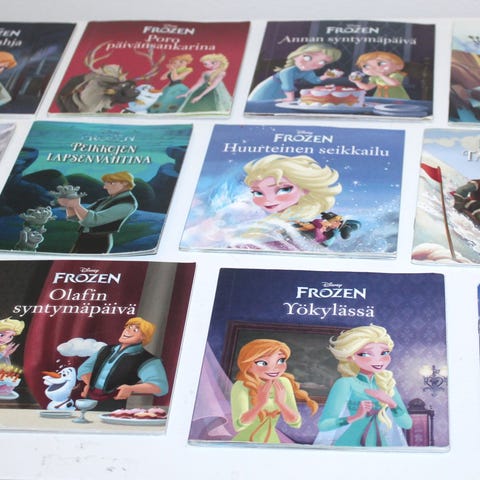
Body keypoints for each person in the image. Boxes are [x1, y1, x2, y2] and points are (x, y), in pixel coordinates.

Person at [315, 324, 412, 447]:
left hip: (381, 446)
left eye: (384, 353)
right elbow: (324, 425)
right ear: (351, 357)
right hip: (350, 445)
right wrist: (356, 416)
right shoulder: (345, 383)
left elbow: (407, 424)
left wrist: (391, 402)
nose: (378, 359)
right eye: (366, 354)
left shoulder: (387, 384)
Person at [230, 338, 318, 443]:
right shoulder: (241, 385)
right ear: (247, 365)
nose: (275, 368)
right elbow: (239, 426)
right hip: (245, 443)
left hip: (273, 443)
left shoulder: (283, 382)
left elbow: (296, 423)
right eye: (263, 363)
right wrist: (260, 404)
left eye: (280, 361)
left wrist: (281, 403)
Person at [77, 317, 168, 410]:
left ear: (143, 337)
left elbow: (160, 387)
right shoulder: (105, 350)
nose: (127, 331)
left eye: (135, 330)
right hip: (89, 399)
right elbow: (84, 368)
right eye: (128, 327)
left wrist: (131, 388)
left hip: (114, 403)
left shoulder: (148, 360)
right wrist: (89, 383)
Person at [57, 171, 138, 253]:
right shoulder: (104, 200)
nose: (105, 187)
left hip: (99, 242)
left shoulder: (128, 203)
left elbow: (93, 220)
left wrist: (77, 205)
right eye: (105, 184)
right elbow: (77, 217)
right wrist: (69, 205)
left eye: (111, 183)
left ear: (125, 183)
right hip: (83, 239)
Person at [244, 154, 342, 221]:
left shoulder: (300, 218)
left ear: (305, 189)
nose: (269, 200)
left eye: (284, 189)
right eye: (258, 193)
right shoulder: (275, 218)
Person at [247, 43, 343, 102]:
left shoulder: (308, 71)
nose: (313, 64)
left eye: (322, 62)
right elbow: (287, 85)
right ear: (295, 56)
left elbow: (315, 80)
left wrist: (326, 76)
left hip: (284, 93)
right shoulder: (287, 71)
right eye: (307, 57)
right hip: (269, 90)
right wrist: (290, 98)